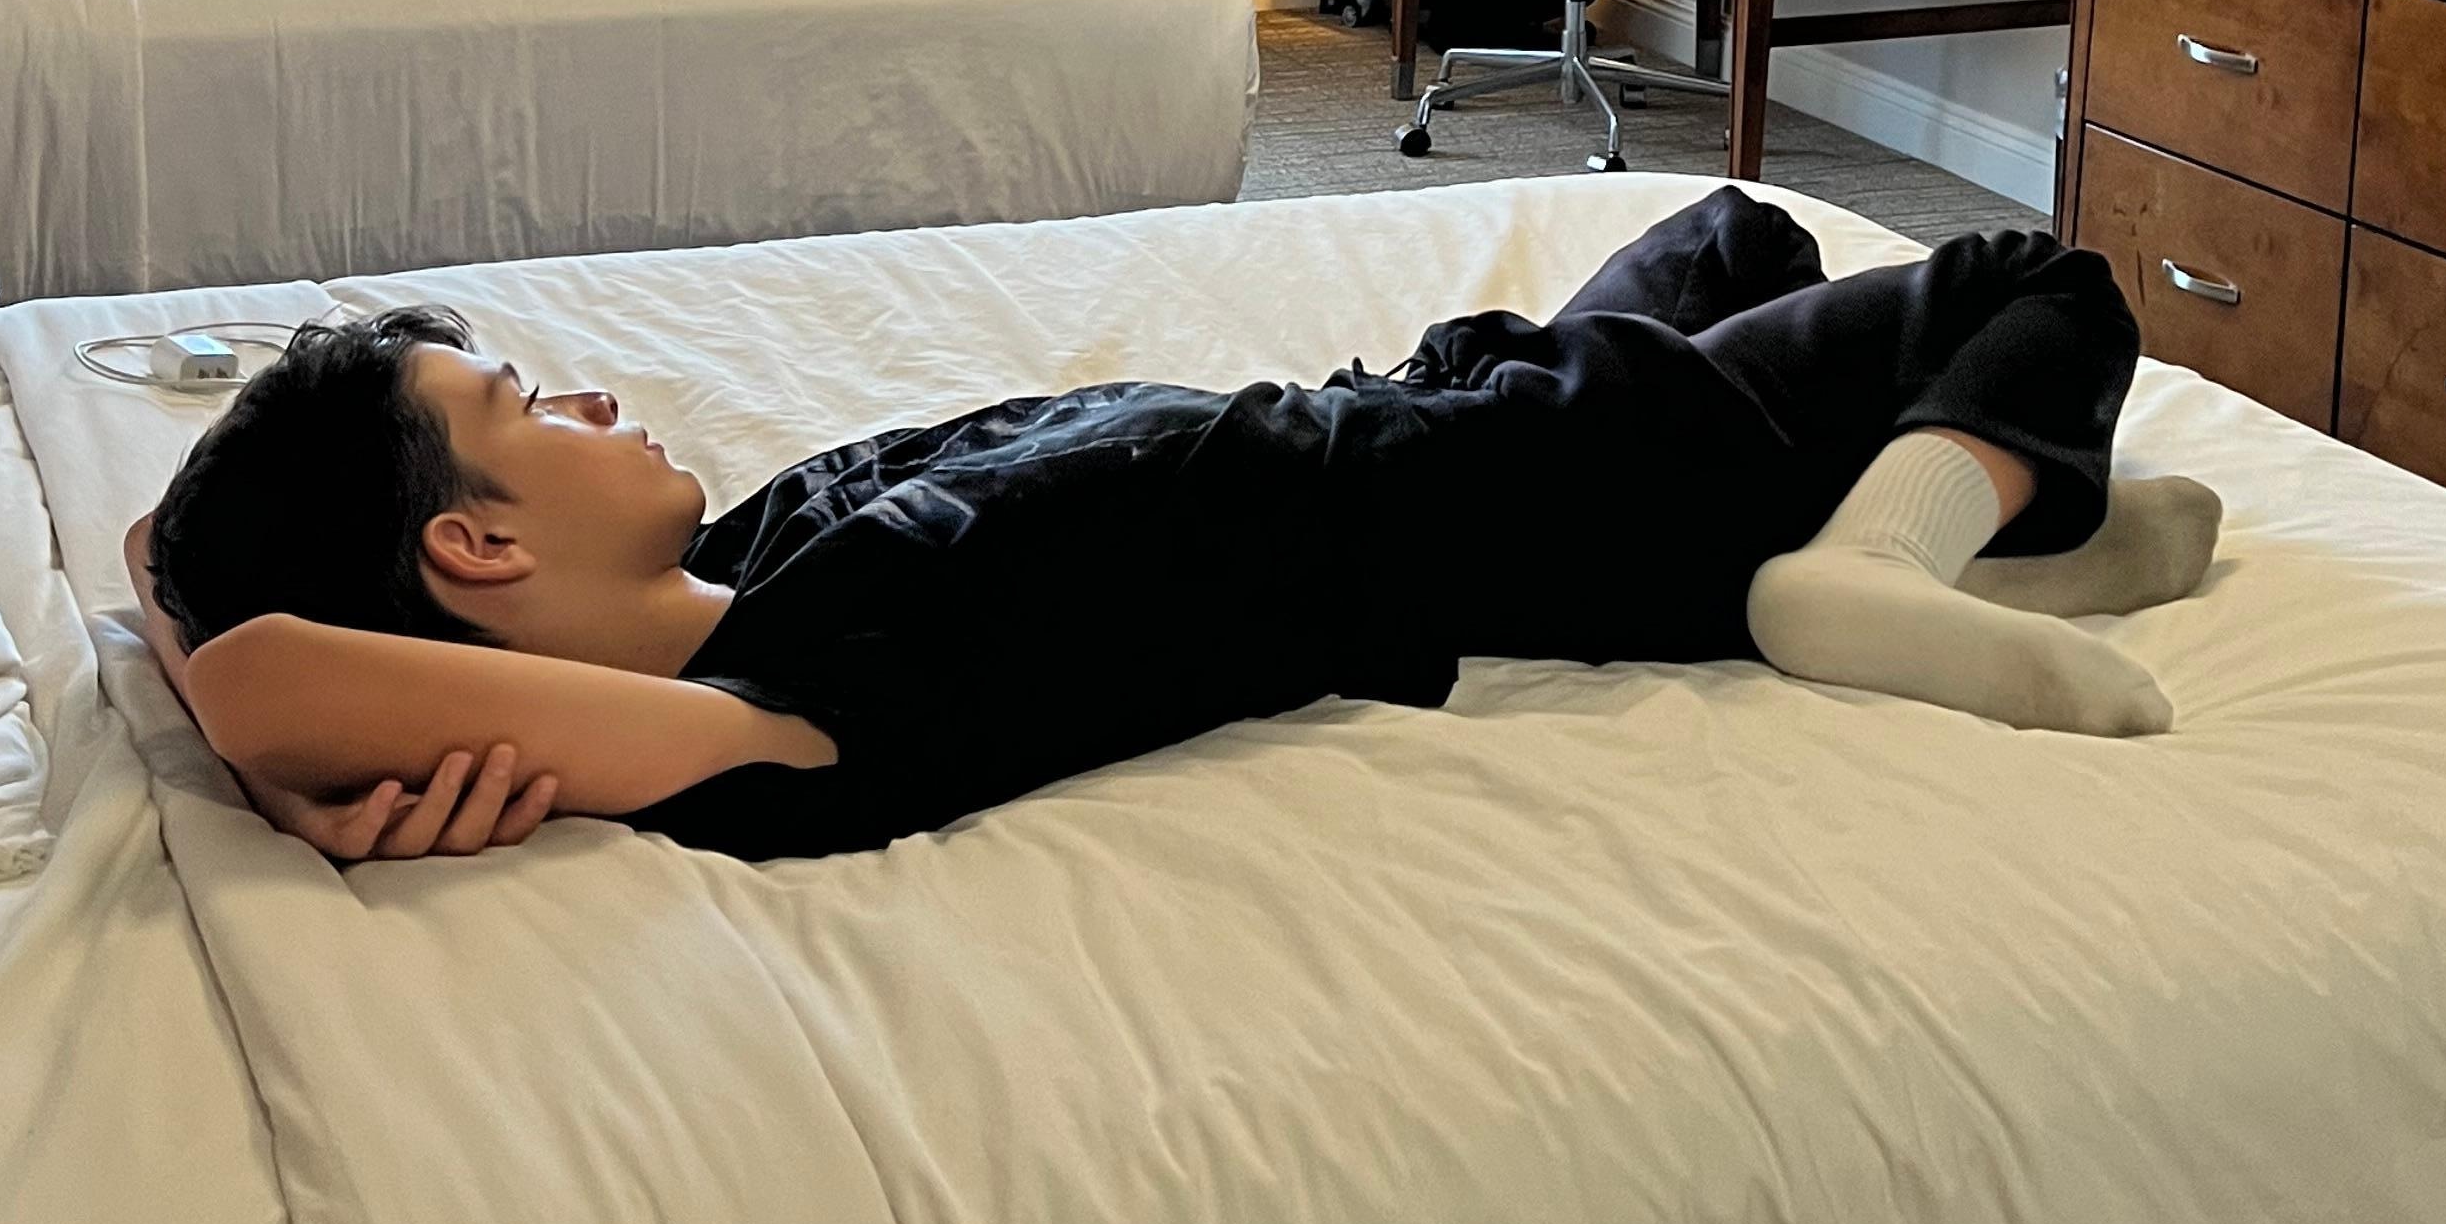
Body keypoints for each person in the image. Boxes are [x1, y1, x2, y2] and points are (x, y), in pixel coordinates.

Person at [126, 190, 2217, 868]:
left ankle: (1986, 511)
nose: (588, 401)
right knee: (2041, 281)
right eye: (527, 412)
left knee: (1738, 228)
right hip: (1545, 495)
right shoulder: (798, 701)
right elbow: (264, 676)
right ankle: (1865, 561)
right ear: (477, 555)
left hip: (1440, 399)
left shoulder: (742, 564)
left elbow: (172, 572)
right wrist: (306, 770)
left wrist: (252, 633)